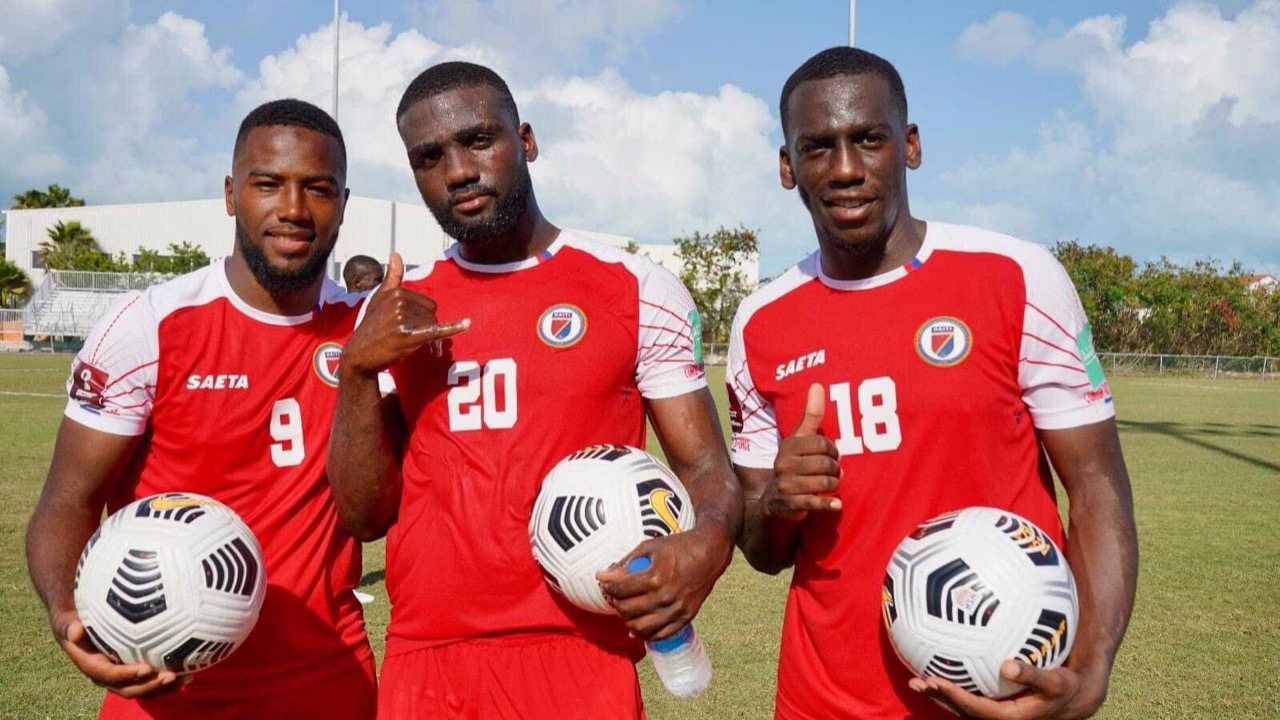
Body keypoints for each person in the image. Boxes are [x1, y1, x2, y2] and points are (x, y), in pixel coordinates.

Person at [728, 47, 1138, 720]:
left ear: (909, 146)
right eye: (818, 148)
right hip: (823, 698)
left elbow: (1096, 487)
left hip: (997, 689)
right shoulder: (760, 322)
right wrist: (778, 501)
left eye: (869, 139)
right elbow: (762, 551)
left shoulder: (1018, 278)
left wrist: (1091, 665)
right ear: (787, 167)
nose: (847, 169)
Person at [327, 61, 742, 719]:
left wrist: (708, 542)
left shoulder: (633, 289)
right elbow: (363, 515)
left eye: (479, 140)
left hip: (581, 654)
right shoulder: (399, 309)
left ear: (526, 140)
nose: (458, 170)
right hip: (427, 660)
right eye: (429, 157)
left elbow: (708, 472)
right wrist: (355, 372)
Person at [26, 99, 377, 720]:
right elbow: (67, 500)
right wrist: (66, 613)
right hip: (165, 687)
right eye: (267, 184)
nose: (292, 210)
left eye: (317, 189)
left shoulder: (365, 335)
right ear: (230, 193)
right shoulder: (150, 325)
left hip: (325, 683)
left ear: (343, 204)